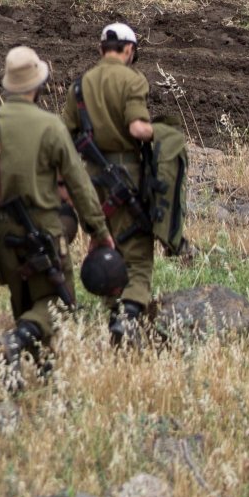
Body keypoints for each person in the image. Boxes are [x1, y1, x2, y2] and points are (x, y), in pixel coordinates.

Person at [0, 46, 110, 381]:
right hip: (43, 229)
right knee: (57, 306)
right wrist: (99, 231)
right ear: (37, 84)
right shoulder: (50, 126)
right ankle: (14, 343)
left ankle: (37, 376)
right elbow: (79, 186)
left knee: (25, 305)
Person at [61, 22, 157, 345]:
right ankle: (128, 316)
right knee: (138, 254)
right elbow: (137, 129)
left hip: (91, 182)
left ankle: (114, 314)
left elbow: (65, 137)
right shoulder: (133, 80)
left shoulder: (80, 86)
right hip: (127, 178)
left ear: (101, 49)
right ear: (129, 50)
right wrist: (163, 132)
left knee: (106, 244)